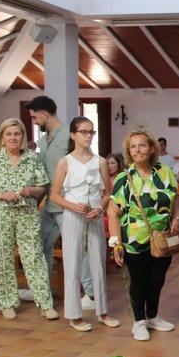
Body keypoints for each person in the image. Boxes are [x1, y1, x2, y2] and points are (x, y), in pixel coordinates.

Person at [0, 118, 58, 321]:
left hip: (26, 214)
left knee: (34, 257)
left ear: (23, 137)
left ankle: (45, 303)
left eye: (17, 134)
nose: (13, 138)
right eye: (9, 134)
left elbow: (42, 186)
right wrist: (1, 194)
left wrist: (29, 190)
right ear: (2, 138)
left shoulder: (32, 158)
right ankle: (6, 303)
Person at [49, 117, 119, 332]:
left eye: (91, 132)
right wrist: (72, 205)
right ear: (73, 135)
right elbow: (54, 196)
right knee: (73, 263)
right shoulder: (65, 162)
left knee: (98, 262)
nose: (88, 136)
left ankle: (103, 311)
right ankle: (74, 315)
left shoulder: (99, 162)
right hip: (72, 216)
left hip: (95, 216)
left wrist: (100, 206)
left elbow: (107, 194)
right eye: (84, 132)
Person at [108, 131, 179, 341]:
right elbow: (113, 212)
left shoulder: (165, 171)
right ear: (129, 152)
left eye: (142, 145)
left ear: (151, 148)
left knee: (157, 279)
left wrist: (176, 218)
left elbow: (176, 198)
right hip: (134, 240)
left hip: (164, 236)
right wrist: (116, 243)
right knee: (139, 281)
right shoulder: (125, 177)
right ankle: (139, 322)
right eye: (133, 147)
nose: (138, 150)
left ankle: (153, 316)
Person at [25, 95, 95, 310]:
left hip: (68, 204)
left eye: (35, 117)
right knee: (40, 245)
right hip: (50, 203)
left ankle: (91, 295)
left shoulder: (68, 134)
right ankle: (41, 289)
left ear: (45, 113)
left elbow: (87, 162)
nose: (34, 121)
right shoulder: (45, 140)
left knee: (77, 249)